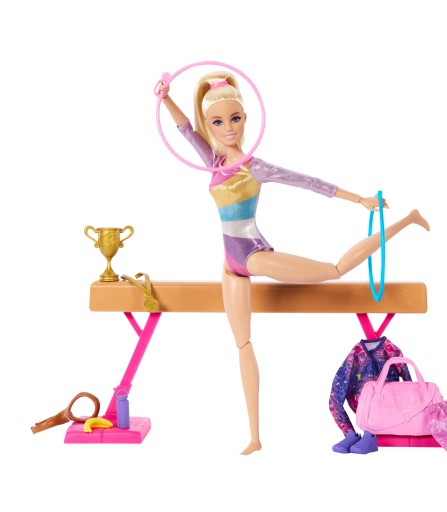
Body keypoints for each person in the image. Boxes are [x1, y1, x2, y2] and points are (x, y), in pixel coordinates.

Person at [159, 70, 429, 455]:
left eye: (234, 119)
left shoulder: (256, 167)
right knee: (243, 343)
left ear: (246, 119)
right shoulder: (213, 160)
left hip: (253, 255)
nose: (228, 128)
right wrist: (165, 97)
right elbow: (186, 130)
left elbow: (308, 182)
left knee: (333, 270)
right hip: (229, 264)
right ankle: (255, 437)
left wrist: (361, 200)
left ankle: (406, 221)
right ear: (210, 124)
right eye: (218, 122)